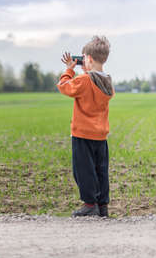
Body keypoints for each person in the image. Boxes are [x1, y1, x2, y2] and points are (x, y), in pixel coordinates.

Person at [56, 35, 115, 217]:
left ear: (87, 59)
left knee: (83, 170)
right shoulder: (107, 82)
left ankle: (90, 205)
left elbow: (64, 86)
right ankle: (102, 205)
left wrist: (69, 70)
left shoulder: (83, 81)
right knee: (100, 170)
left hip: (82, 134)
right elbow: (94, 82)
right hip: (100, 135)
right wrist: (86, 70)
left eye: (83, 59)